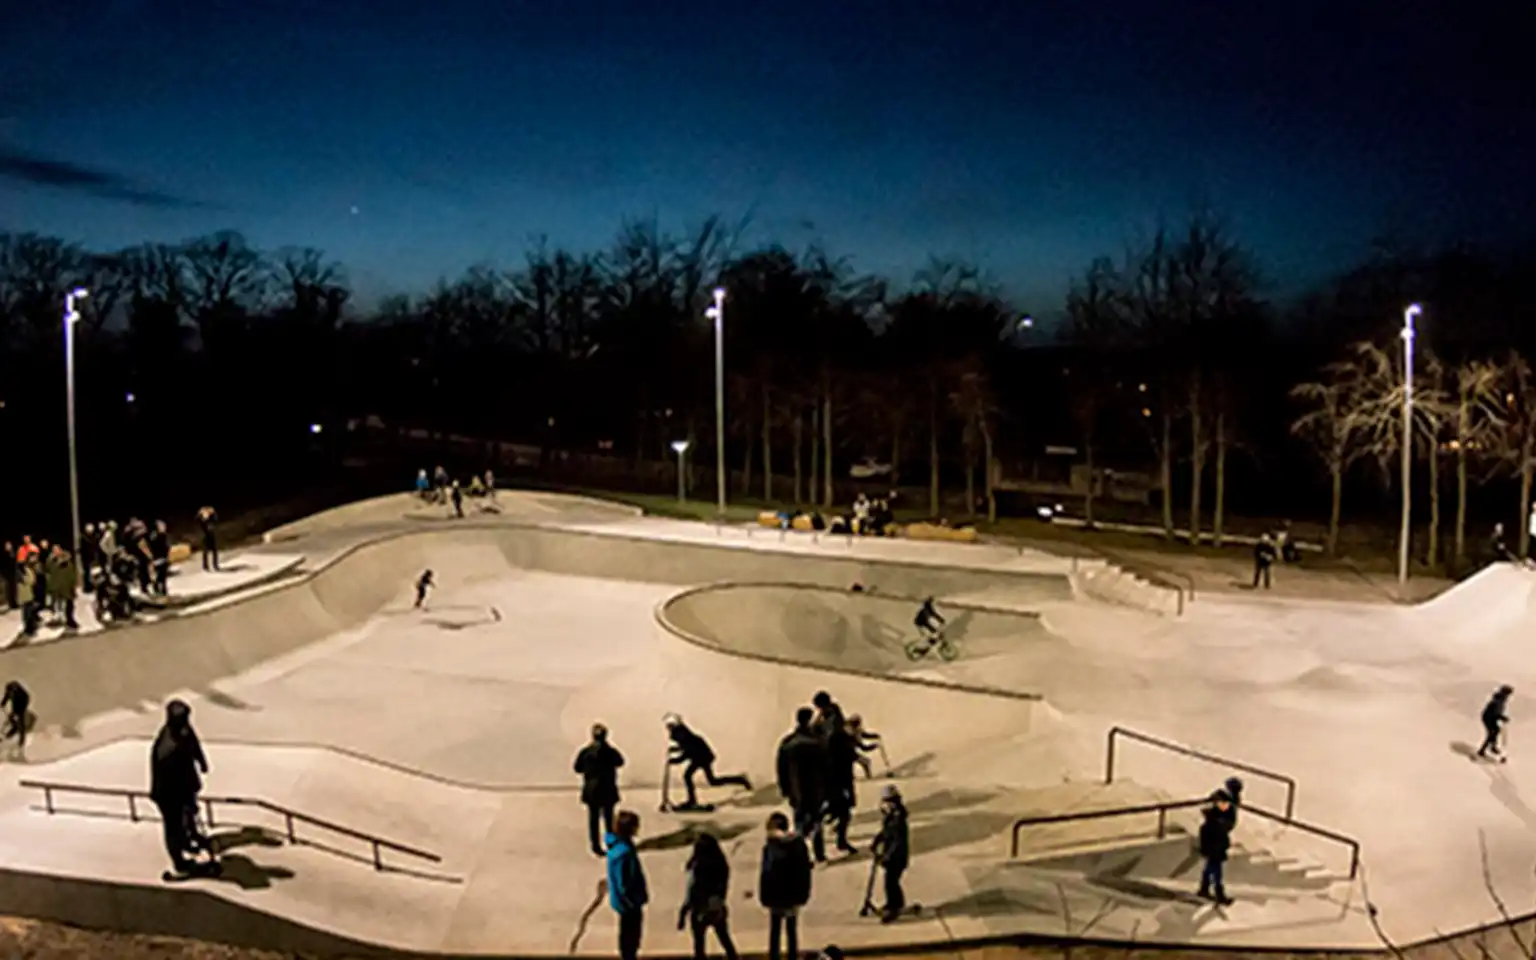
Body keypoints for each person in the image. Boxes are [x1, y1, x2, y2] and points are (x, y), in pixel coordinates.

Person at [150, 700, 212, 875]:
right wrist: (187, 801)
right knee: (173, 827)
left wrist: (201, 762)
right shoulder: (169, 750)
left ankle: (189, 839)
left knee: (186, 817)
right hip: (169, 795)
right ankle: (179, 862)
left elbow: (193, 743)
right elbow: (174, 782)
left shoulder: (179, 730)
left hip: (182, 788)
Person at [775, 708, 827, 862]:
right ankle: (819, 855)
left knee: (799, 823)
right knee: (817, 822)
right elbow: (827, 768)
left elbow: (781, 769)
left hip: (796, 791)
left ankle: (800, 855)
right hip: (815, 790)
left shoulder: (788, 742)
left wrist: (785, 789)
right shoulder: (817, 743)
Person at [665, 715, 751, 808]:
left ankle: (692, 801)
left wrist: (674, 760)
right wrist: (675, 751)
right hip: (699, 757)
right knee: (711, 781)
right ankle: (740, 779)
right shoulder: (684, 736)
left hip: (703, 758)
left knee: (689, 776)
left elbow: (687, 753)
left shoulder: (685, 736)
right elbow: (685, 749)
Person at [759, 811, 812, 960]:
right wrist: (803, 895)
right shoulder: (798, 845)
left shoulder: (770, 847)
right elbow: (804, 873)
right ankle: (792, 956)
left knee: (775, 931)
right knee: (791, 931)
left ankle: (775, 956)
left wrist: (764, 897)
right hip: (792, 896)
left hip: (775, 896)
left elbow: (765, 874)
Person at [678, 832, 739, 960]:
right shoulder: (721, 864)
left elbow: (692, 892)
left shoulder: (698, 866)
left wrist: (683, 913)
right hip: (716, 906)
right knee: (724, 938)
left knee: (699, 943)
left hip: (699, 909)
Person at [574, 723, 625, 857]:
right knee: (609, 818)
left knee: (593, 819)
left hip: (591, 789)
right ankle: (611, 842)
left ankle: (595, 846)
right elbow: (620, 762)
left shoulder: (585, 752)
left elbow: (577, 768)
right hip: (607, 788)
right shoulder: (610, 752)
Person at [606, 809, 648, 960]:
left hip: (622, 902)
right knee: (631, 935)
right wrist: (634, 901)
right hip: (629, 903)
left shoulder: (617, 847)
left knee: (626, 933)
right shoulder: (624, 853)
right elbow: (625, 883)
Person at [872, 784, 910, 923]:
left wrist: (887, 855)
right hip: (891, 855)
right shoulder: (890, 816)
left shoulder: (899, 819)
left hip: (897, 857)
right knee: (890, 881)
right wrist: (876, 841)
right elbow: (885, 832)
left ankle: (895, 905)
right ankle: (893, 903)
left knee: (891, 882)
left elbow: (898, 841)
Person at [1197, 798, 1233, 905]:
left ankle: (1205, 889)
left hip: (1213, 853)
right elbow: (1224, 839)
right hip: (1216, 853)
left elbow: (1204, 842)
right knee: (1216, 874)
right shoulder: (1218, 826)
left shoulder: (1206, 827)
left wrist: (1205, 850)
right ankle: (1218, 893)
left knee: (1209, 871)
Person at [1478, 685, 1514, 761]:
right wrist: (1502, 717)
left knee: (1495, 731)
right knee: (1492, 732)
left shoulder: (1501, 699)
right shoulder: (1498, 700)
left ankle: (1490, 747)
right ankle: (1485, 749)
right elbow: (1495, 712)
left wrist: (1501, 717)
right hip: (1488, 718)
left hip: (1491, 718)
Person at [846, 715, 885, 779]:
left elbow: (864, 735)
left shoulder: (854, 730)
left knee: (864, 762)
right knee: (865, 762)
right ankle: (868, 777)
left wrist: (875, 736)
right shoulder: (851, 734)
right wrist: (874, 746)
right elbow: (863, 748)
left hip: (848, 752)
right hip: (847, 753)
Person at [2, 679, 30, 758]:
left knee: (20, 726)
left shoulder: (20, 693)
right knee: (13, 723)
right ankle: (7, 735)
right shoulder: (10, 690)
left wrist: (18, 712)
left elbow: (25, 700)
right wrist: (2, 704)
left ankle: (21, 743)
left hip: (21, 707)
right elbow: (6, 698)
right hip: (16, 709)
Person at [149, 520, 171, 596]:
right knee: (160, 576)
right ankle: (158, 590)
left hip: (162, 557)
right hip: (158, 558)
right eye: (162, 526)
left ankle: (163, 591)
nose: (164, 527)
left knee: (163, 576)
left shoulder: (160, 535)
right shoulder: (158, 536)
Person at [196, 506, 219, 572]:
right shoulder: (200, 518)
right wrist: (204, 518)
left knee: (214, 551)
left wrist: (212, 514)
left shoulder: (212, 517)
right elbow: (198, 523)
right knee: (205, 551)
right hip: (204, 536)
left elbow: (215, 520)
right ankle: (205, 566)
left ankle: (215, 565)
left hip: (211, 535)